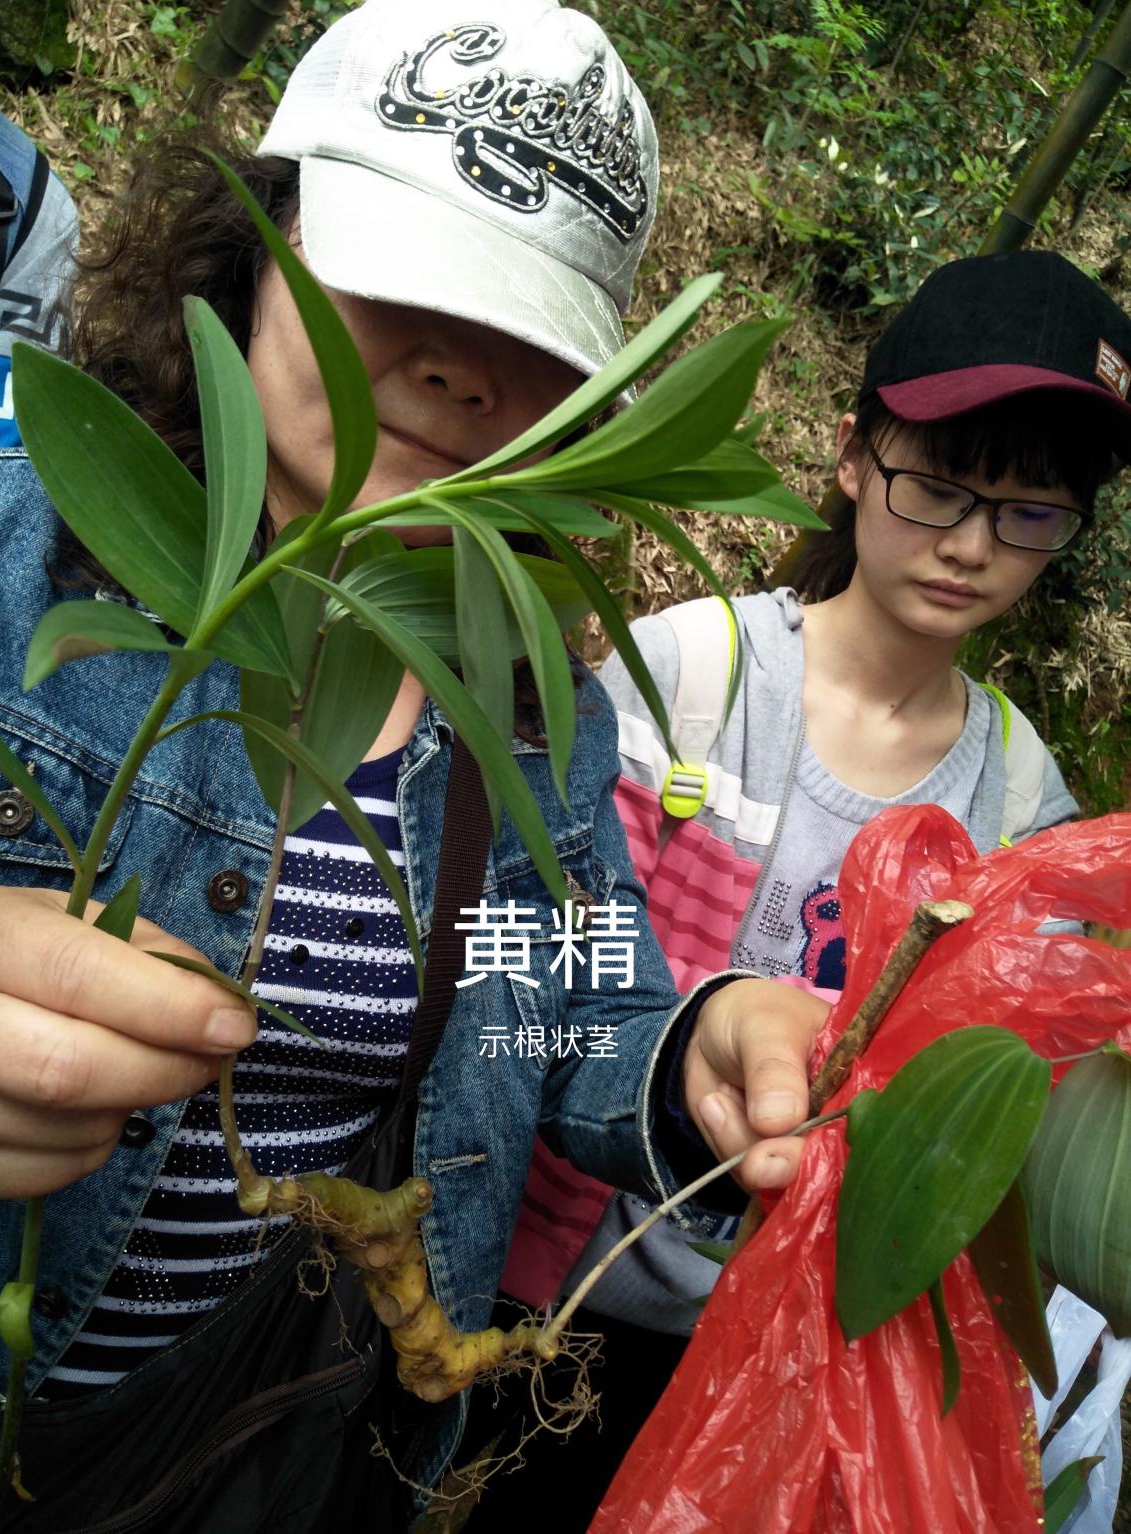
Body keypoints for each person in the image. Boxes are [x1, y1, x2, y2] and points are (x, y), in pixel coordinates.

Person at [0, 2, 825, 1529]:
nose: (457, 372)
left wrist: (693, 1051)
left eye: (530, 333)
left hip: (274, 1456)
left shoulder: (531, 714)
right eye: (400, 281)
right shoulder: (9, 544)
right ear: (259, 241)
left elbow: (568, 1013)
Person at [477, 247, 1131, 1527]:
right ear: (849, 455)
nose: (970, 545)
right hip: (550, 1301)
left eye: (1029, 513)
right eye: (936, 487)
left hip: (778, 1359)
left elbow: (996, 1097)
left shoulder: (1016, 797)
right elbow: (530, 963)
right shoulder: (691, 677)